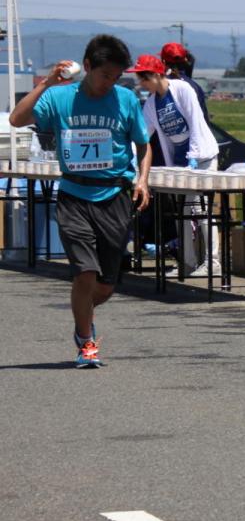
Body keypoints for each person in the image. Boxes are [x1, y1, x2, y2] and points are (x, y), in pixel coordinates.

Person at [9, 34, 152, 367]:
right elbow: (17, 119)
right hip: (73, 194)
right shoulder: (59, 97)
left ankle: (83, 316)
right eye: (105, 76)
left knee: (103, 287)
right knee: (84, 274)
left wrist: (143, 180)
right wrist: (45, 83)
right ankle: (85, 340)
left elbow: (144, 146)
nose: (109, 84)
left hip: (114, 195)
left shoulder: (126, 100)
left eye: (116, 77)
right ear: (87, 66)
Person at [129, 54, 221, 277]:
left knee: (201, 211)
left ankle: (213, 261)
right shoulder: (151, 103)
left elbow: (196, 121)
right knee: (183, 213)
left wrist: (195, 156)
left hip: (202, 159)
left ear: (156, 74)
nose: (142, 84)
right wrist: (131, 157)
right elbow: (143, 135)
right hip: (180, 164)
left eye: (144, 78)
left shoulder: (182, 89)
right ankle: (188, 262)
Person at [160, 42, 210, 122]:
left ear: (163, 61)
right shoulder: (194, 86)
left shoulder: (159, 86)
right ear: (185, 60)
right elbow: (204, 122)